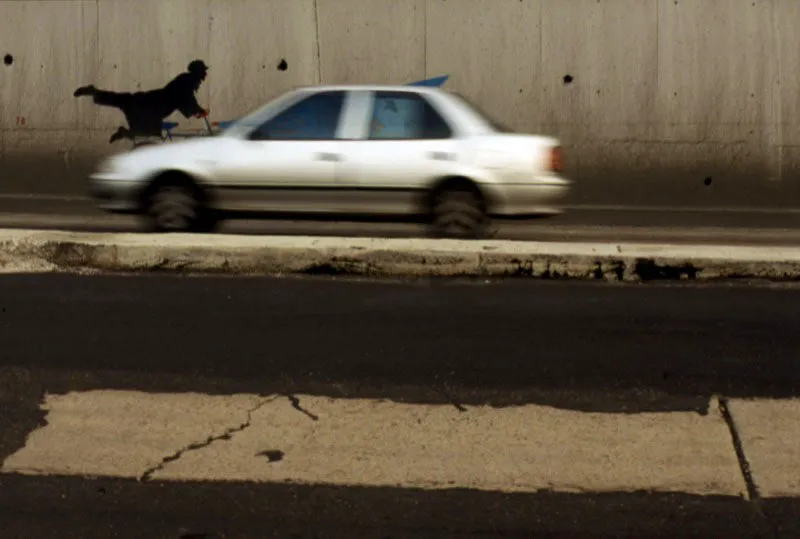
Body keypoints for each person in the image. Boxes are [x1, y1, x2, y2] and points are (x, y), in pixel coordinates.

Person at [74, 59, 210, 143]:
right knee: (150, 136)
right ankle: (125, 133)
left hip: (152, 104)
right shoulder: (188, 81)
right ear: (198, 72)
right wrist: (198, 111)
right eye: (203, 71)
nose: (205, 74)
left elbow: (186, 100)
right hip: (153, 107)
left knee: (123, 101)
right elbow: (186, 99)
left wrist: (196, 111)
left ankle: (96, 93)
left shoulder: (186, 80)